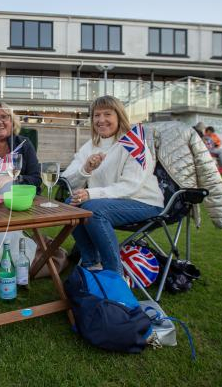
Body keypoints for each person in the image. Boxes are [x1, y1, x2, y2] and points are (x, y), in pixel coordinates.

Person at [61, 95, 164, 275]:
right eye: (96, 115)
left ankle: (113, 273)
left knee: (94, 211)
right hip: (107, 202)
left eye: (107, 114)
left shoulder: (133, 143)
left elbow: (131, 186)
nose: (101, 120)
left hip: (144, 201)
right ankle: (92, 264)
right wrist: (85, 169)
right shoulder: (91, 146)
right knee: (71, 203)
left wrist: (90, 193)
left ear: (119, 116)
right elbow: (67, 180)